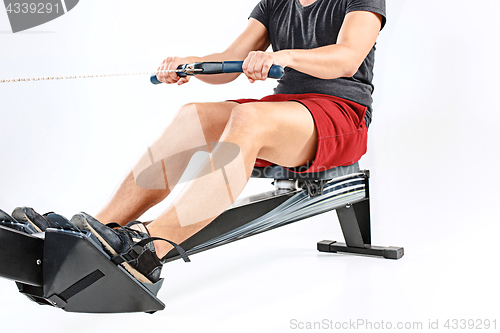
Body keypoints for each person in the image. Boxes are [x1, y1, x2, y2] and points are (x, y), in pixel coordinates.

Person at [1, 0, 386, 285]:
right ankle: (96, 231)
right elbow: (232, 60)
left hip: (341, 111)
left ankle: (150, 250)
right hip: (285, 109)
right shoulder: (276, 1)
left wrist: (283, 55)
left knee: (248, 117)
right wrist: (192, 65)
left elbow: (347, 58)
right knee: (194, 114)